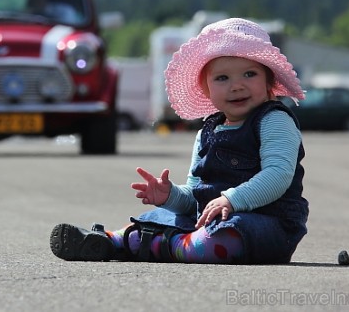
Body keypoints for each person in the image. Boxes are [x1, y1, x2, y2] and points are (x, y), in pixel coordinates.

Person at [49, 18, 309, 264]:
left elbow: (278, 176)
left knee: (228, 233)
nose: (237, 86)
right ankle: (109, 241)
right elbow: (195, 197)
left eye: (249, 74)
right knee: (158, 217)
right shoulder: (208, 131)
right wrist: (170, 195)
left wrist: (231, 200)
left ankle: (164, 245)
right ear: (206, 88)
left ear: (269, 80)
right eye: (222, 78)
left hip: (266, 224)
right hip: (207, 222)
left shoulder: (273, 120)